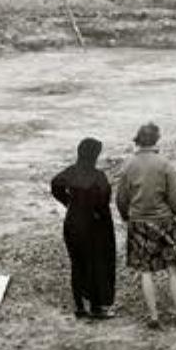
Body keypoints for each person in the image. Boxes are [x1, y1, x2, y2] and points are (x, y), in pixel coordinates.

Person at [113, 122, 176, 329]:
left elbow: (121, 198)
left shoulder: (128, 165)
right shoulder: (164, 164)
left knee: (145, 271)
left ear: (138, 140)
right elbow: (175, 198)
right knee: (174, 269)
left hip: (139, 223)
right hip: (164, 223)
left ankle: (153, 317)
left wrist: (126, 216)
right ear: (156, 140)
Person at [50, 137, 117, 320]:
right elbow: (104, 203)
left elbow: (55, 184)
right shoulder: (98, 177)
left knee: (77, 264)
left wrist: (69, 202)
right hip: (93, 226)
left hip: (72, 223)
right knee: (95, 265)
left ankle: (79, 306)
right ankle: (96, 307)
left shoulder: (70, 172)